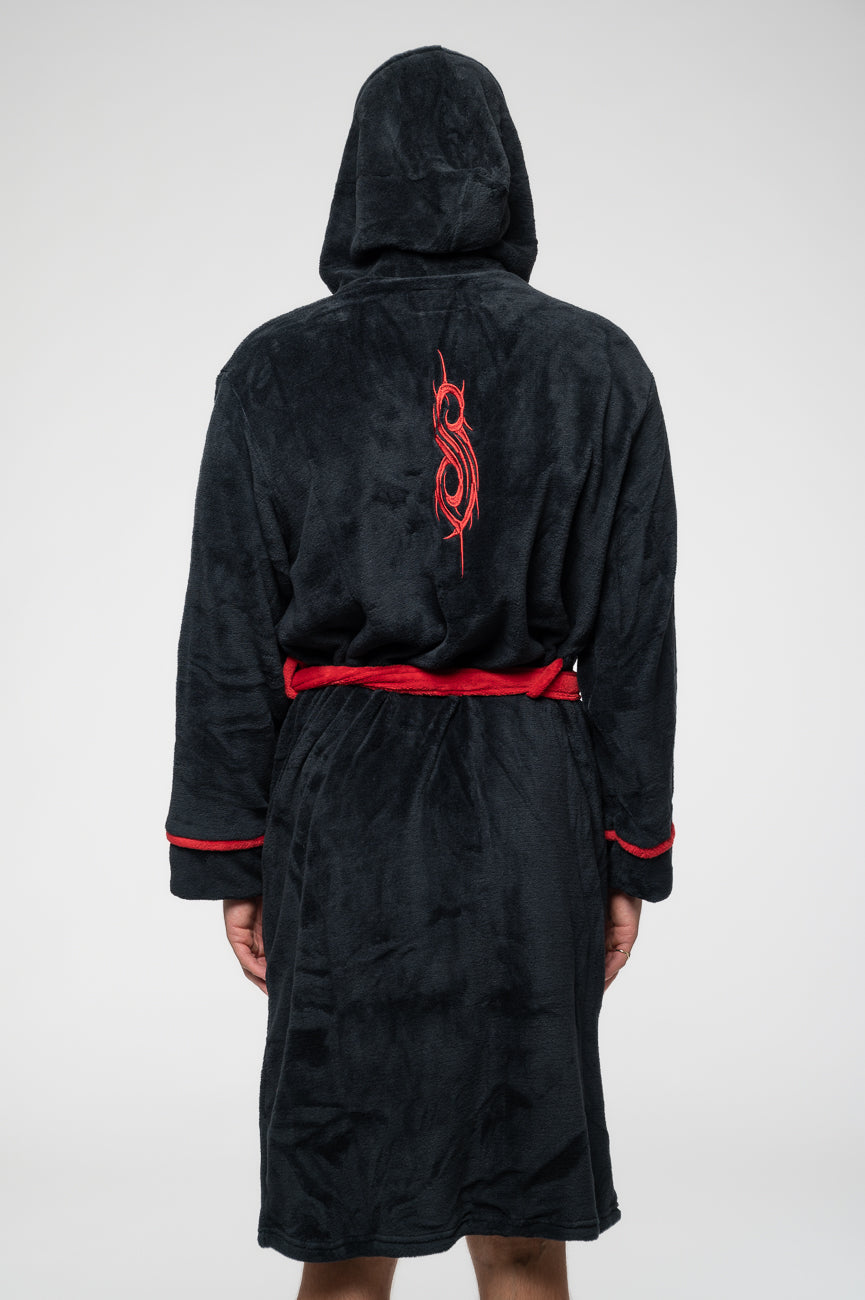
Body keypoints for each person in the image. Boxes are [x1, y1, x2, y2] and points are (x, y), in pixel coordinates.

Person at [165, 43, 677, 1300]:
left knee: (348, 1225)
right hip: (531, 817)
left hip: (341, 820)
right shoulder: (597, 366)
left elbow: (228, 632)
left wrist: (234, 858)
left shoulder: (275, 369)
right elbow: (634, 641)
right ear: (508, 176)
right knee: (522, 1220)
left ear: (358, 179)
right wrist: (627, 855)